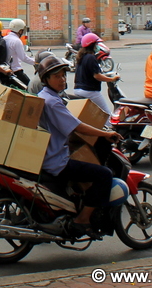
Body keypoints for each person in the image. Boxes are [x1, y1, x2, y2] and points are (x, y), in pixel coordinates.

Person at [36, 55, 121, 235]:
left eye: (63, 75)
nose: (62, 80)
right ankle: (82, 219)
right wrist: (106, 134)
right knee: (104, 175)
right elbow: (78, 127)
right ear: (46, 80)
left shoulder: (45, 96)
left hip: (49, 156)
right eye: (56, 77)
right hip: (57, 161)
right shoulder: (53, 102)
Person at [73, 33, 120, 114]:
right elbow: (97, 76)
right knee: (106, 114)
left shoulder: (81, 57)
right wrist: (111, 79)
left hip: (78, 89)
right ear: (92, 45)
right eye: (96, 44)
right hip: (89, 91)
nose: (98, 46)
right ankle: (110, 126)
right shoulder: (91, 58)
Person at [3, 19, 36, 87]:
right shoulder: (17, 41)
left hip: (6, 70)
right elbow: (23, 58)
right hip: (16, 71)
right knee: (30, 88)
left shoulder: (5, 38)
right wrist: (36, 62)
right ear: (20, 30)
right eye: (22, 30)